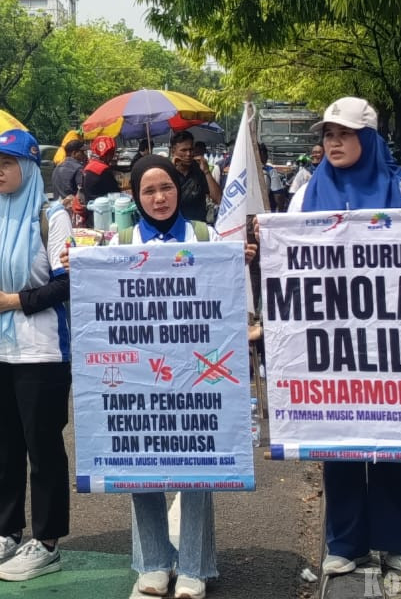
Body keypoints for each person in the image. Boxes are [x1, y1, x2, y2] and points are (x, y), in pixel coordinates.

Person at [288, 97, 401, 584]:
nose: (333, 142)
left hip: (393, 339)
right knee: (339, 435)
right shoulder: (305, 191)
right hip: (331, 339)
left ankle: (400, 544)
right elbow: (289, 257)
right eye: (328, 134)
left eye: (344, 134)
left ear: (367, 139)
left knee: (397, 435)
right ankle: (344, 541)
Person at [109, 154, 256, 599]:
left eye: (166, 187)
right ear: (135, 196)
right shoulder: (120, 239)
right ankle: (152, 563)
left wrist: (238, 261)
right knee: (141, 463)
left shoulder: (204, 235)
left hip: (197, 368)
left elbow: (225, 296)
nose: (158, 197)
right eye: (148, 190)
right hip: (142, 371)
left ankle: (193, 566)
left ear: (179, 189)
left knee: (199, 464)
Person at [0, 130, 73, 582]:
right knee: (1, 446)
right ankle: (5, 532)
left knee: (42, 446)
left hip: (39, 351)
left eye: (6, 163)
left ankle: (46, 541)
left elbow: (68, 282)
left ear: (28, 167)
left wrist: (16, 301)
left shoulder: (53, 216)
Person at [170, 130, 221, 223]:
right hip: (174, 228)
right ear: (173, 151)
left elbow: (218, 199)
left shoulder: (199, 169)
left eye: (191, 149)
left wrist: (206, 171)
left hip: (197, 228)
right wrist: (170, 168)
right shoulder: (166, 170)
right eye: (184, 150)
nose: (188, 154)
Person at [79, 136, 120, 228]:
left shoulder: (88, 166)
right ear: (107, 153)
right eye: (111, 153)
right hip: (103, 214)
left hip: (90, 213)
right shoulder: (104, 170)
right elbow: (116, 194)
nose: (112, 156)